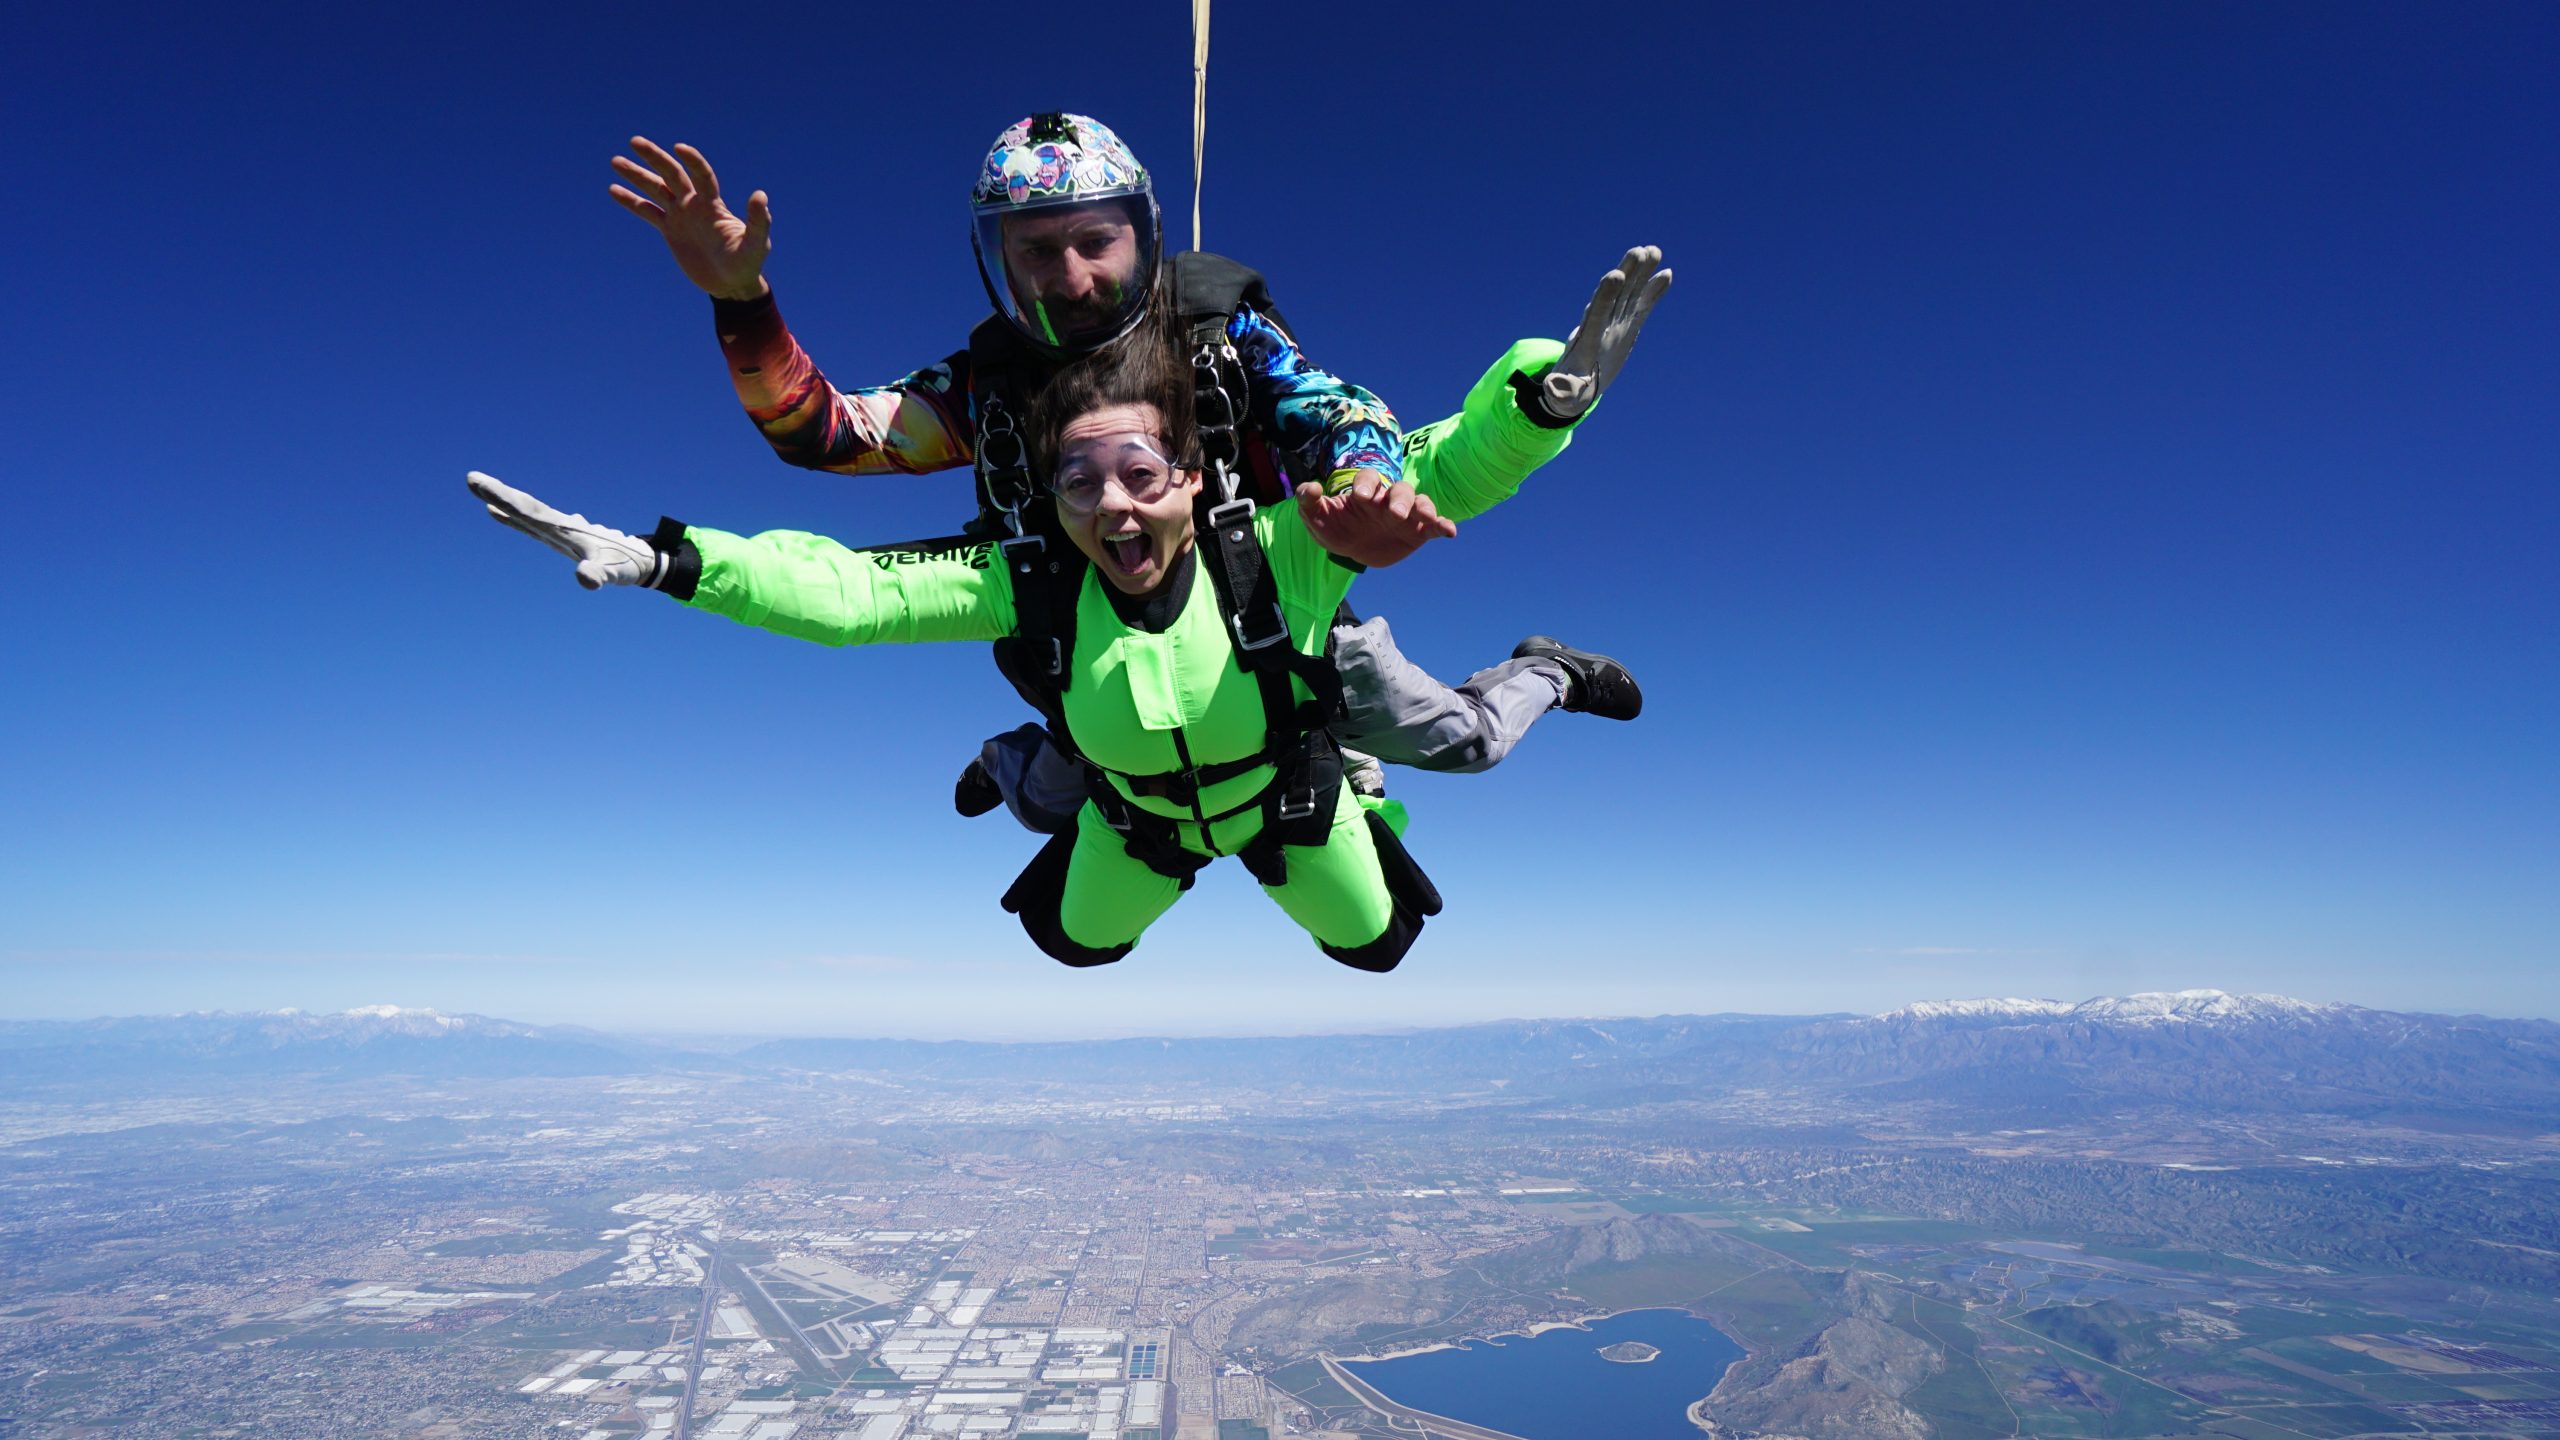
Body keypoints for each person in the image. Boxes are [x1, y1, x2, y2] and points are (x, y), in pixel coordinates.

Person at [468, 254, 1660, 971]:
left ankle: (1418, 738)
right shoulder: (1030, 575)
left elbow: (1430, 467)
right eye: (1081, 485)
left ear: (1194, 476)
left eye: (1143, 477)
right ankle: (1037, 759)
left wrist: (1541, 399)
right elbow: (845, 597)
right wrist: (670, 561)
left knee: (1385, 932)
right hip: (1141, 813)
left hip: (1281, 789)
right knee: (1072, 942)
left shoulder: (1280, 551)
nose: (1113, 507)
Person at [606, 116, 1655, 833]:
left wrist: (1364, 485)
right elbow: (826, 433)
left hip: (1273, 624)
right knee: (1064, 794)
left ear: (1141, 236)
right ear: (997, 261)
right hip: (1087, 647)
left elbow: (1337, 418)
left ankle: (1546, 669)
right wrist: (743, 300)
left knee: (1466, 745)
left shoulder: (1217, 342)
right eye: (1033, 252)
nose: (1069, 276)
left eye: (1094, 241)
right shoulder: (989, 387)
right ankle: (1006, 756)